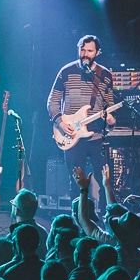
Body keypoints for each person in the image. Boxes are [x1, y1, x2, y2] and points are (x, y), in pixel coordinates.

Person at [47, 34, 116, 205]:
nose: (85, 54)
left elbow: (109, 104)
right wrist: (61, 123)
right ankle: (78, 222)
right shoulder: (66, 72)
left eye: (89, 51)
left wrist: (111, 120)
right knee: (76, 184)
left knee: (105, 182)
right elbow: (52, 101)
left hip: (97, 137)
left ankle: (106, 219)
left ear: (98, 52)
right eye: (82, 50)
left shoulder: (105, 75)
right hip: (71, 136)